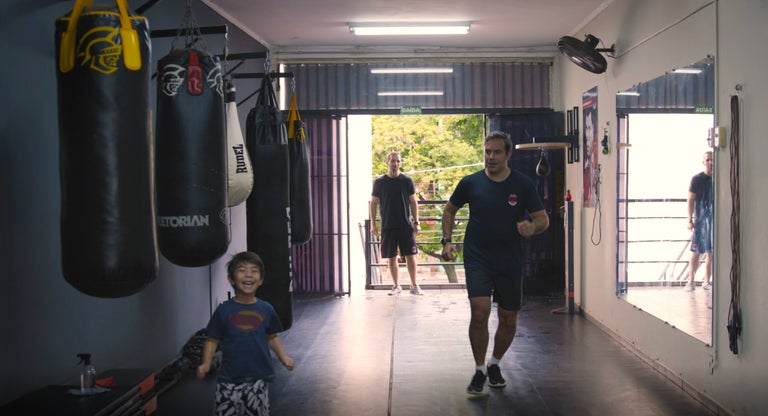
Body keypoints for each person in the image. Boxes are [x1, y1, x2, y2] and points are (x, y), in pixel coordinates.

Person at [441, 131, 549, 396]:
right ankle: (479, 370)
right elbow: (449, 210)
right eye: (487, 152)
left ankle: (495, 364)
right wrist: (446, 241)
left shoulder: (523, 185)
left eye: (496, 152)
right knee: (479, 313)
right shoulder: (470, 183)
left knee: (508, 317)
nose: (490, 157)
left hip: (509, 259)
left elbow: (543, 219)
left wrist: (531, 228)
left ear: (508, 154)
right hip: (477, 257)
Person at [197, 251, 295, 415]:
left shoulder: (266, 309)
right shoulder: (223, 310)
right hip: (229, 380)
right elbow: (212, 340)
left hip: (257, 379)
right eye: (242, 270)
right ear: (231, 279)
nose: (248, 274)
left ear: (261, 280)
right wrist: (206, 363)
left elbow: (272, 337)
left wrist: (284, 357)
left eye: (254, 270)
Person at [370, 150, 423, 295]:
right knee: (391, 258)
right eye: (392, 161)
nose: (395, 163)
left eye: (397, 161)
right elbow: (373, 203)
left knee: (410, 256)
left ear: (400, 163)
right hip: (387, 226)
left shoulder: (407, 181)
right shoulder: (380, 182)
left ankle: (414, 285)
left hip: (405, 225)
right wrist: (373, 224)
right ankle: (396, 286)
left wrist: (416, 222)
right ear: (387, 162)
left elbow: (413, 202)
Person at [685, 151, 714, 291]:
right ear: (703, 162)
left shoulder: (718, 179)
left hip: (715, 222)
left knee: (711, 252)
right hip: (700, 221)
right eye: (708, 160)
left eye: (712, 160)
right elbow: (690, 200)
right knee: (695, 251)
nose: (711, 162)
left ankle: (706, 281)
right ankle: (690, 281)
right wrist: (690, 220)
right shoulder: (697, 179)